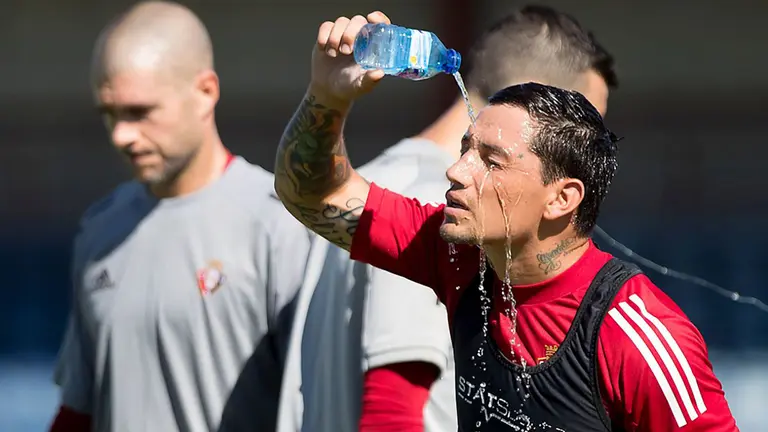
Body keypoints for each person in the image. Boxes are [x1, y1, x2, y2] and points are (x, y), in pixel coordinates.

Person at [273, 10, 740, 432]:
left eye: (491, 162)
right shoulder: (457, 256)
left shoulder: (635, 337)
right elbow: (315, 194)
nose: (456, 171)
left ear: (561, 198)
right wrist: (328, 96)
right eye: (464, 151)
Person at [49, 2, 311, 431]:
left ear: (205, 92)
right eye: (109, 115)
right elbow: (79, 410)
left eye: (139, 112)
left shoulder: (280, 224)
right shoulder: (99, 231)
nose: (121, 136)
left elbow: (320, 403)